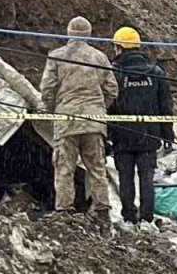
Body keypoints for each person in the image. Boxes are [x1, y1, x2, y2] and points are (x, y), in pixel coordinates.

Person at [40, 16, 119, 215]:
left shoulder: (56, 56)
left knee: (64, 168)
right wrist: (100, 108)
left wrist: (53, 110)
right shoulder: (99, 57)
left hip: (66, 121)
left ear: (68, 33)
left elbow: (47, 89)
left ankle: (64, 210)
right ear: (89, 34)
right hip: (94, 122)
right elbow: (112, 89)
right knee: (97, 168)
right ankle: (102, 209)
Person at [108, 26, 174, 228]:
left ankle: (129, 216)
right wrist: (168, 134)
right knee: (147, 177)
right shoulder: (156, 73)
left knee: (125, 177)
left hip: (123, 135)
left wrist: (108, 133)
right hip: (149, 134)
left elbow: (109, 104)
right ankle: (147, 217)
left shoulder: (114, 73)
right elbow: (166, 106)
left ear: (119, 48)